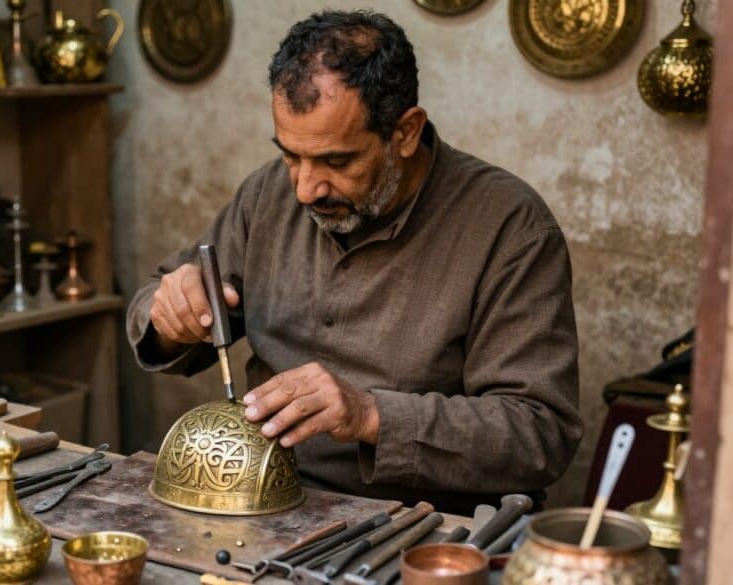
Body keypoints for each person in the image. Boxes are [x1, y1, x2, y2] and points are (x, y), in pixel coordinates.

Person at [125, 9, 582, 514]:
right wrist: (171, 314)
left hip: (420, 526)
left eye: (337, 162)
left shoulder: (509, 226)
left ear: (405, 132)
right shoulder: (268, 194)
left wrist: (371, 415)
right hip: (269, 504)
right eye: (291, 155)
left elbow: (540, 433)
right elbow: (156, 297)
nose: (305, 189)